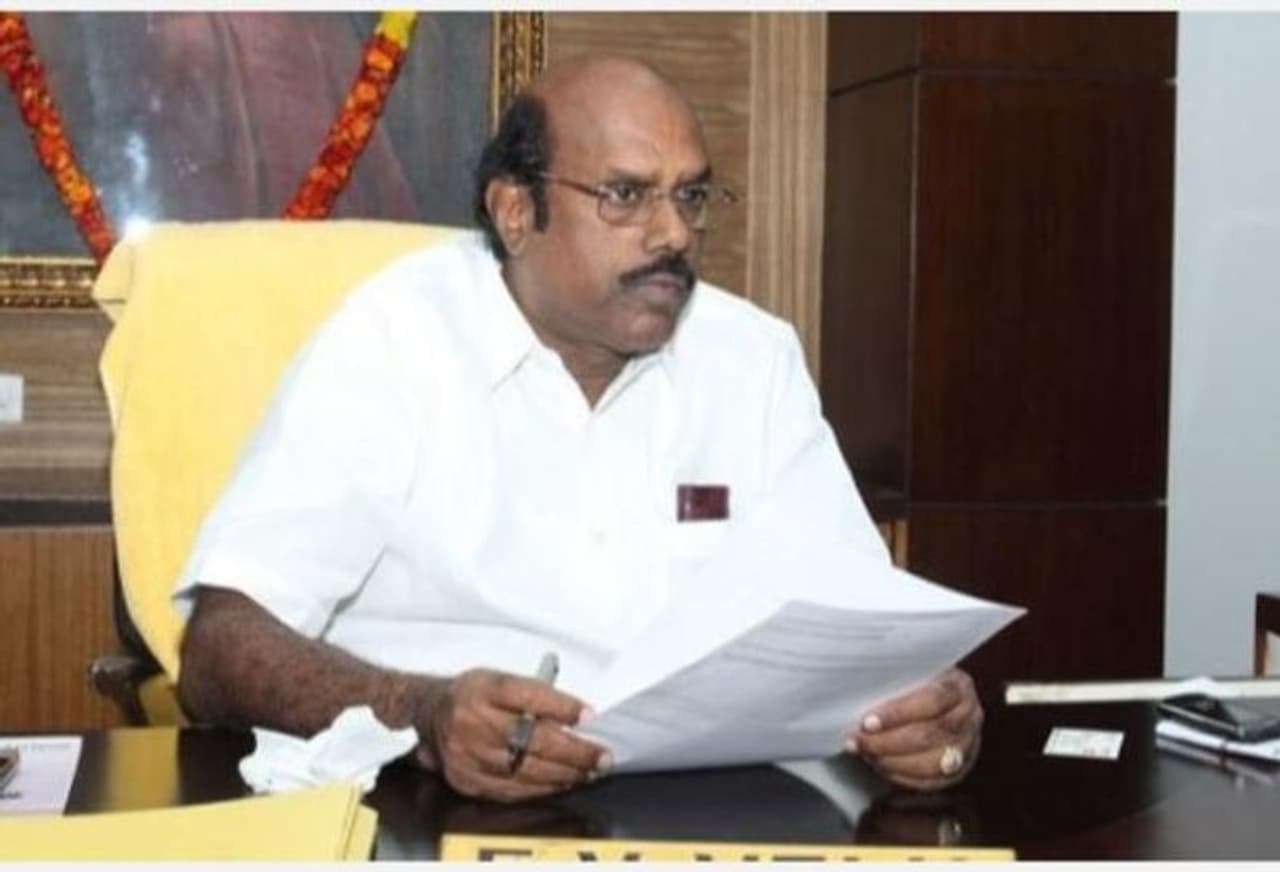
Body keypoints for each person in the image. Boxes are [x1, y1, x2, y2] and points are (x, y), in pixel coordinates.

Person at [175, 55, 983, 803]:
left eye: (690, 197)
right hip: (439, 803)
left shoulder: (751, 359)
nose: (674, 235)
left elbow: (862, 626)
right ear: (516, 212)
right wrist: (421, 714)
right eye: (626, 196)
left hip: (716, 802)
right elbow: (220, 648)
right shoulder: (392, 343)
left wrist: (925, 714)